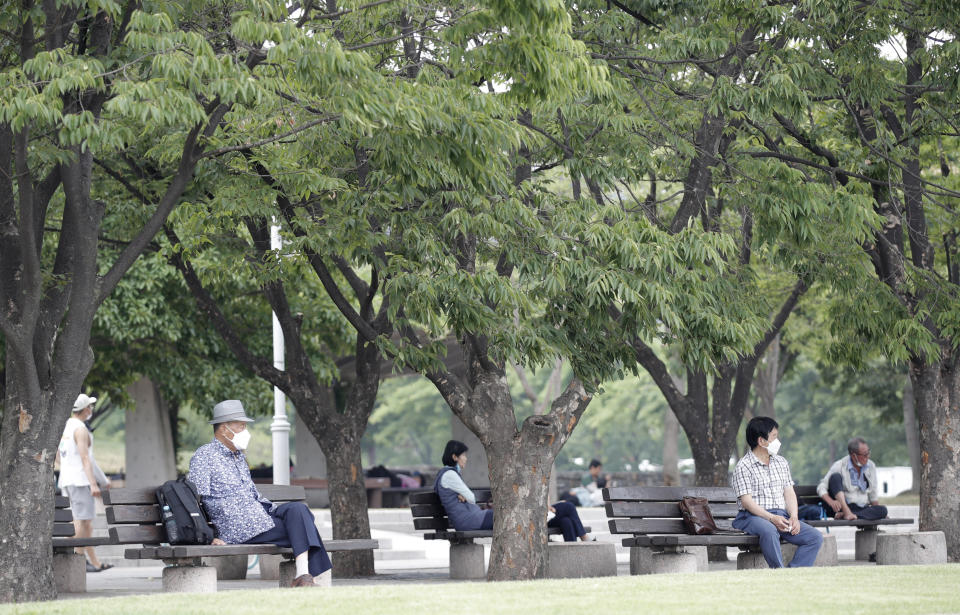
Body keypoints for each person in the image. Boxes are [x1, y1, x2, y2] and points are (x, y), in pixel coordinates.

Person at [188, 400, 332, 588]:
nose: (245, 431)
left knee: (298, 510)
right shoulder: (204, 456)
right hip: (238, 526)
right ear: (224, 429)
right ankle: (304, 576)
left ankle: (303, 575)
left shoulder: (239, 456)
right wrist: (209, 536)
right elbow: (195, 499)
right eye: (241, 425)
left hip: (261, 515)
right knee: (302, 526)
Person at [435, 440, 593, 542]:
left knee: (565, 520)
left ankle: (572, 552)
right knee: (564, 508)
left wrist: (463, 496)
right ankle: (582, 540)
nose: (466, 458)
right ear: (455, 457)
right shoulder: (450, 475)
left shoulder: (449, 475)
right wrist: (464, 496)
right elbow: (471, 497)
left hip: (473, 519)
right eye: (463, 455)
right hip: (472, 521)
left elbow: (467, 497)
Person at [731, 416, 823, 568]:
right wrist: (772, 518)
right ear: (761, 441)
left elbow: (789, 492)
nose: (777, 440)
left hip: (781, 516)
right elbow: (747, 502)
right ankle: (779, 572)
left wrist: (794, 516)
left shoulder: (781, 462)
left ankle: (793, 572)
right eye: (774, 436)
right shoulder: (744, 466)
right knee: (769, 530)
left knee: (814, 537)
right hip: (752, 517)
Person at [57, 393, 112, 572]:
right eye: (90, 406)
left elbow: (58, 456)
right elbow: (86, 458)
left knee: (83, 521)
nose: (91, 409)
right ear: (85, 409)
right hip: (80, 481)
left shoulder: (65, 426)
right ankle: (76, 558)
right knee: (82, 520)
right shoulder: (80, 429)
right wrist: (95, 484)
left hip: (66, 479)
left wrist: (101, 480)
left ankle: (92, 561)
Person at [816, 437, 888, 521]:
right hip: (844, 506)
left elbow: (873, 495)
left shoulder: (871, 466)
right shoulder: (840, 465)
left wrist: (879, 513)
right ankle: (846, 512)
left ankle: (849, 515)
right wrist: (831, 502)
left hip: (861, 508)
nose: (868, 457)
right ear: (854, 455)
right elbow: (821, 487)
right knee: (835, 477)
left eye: (868, 453)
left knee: (883, 510)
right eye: (865, 455)